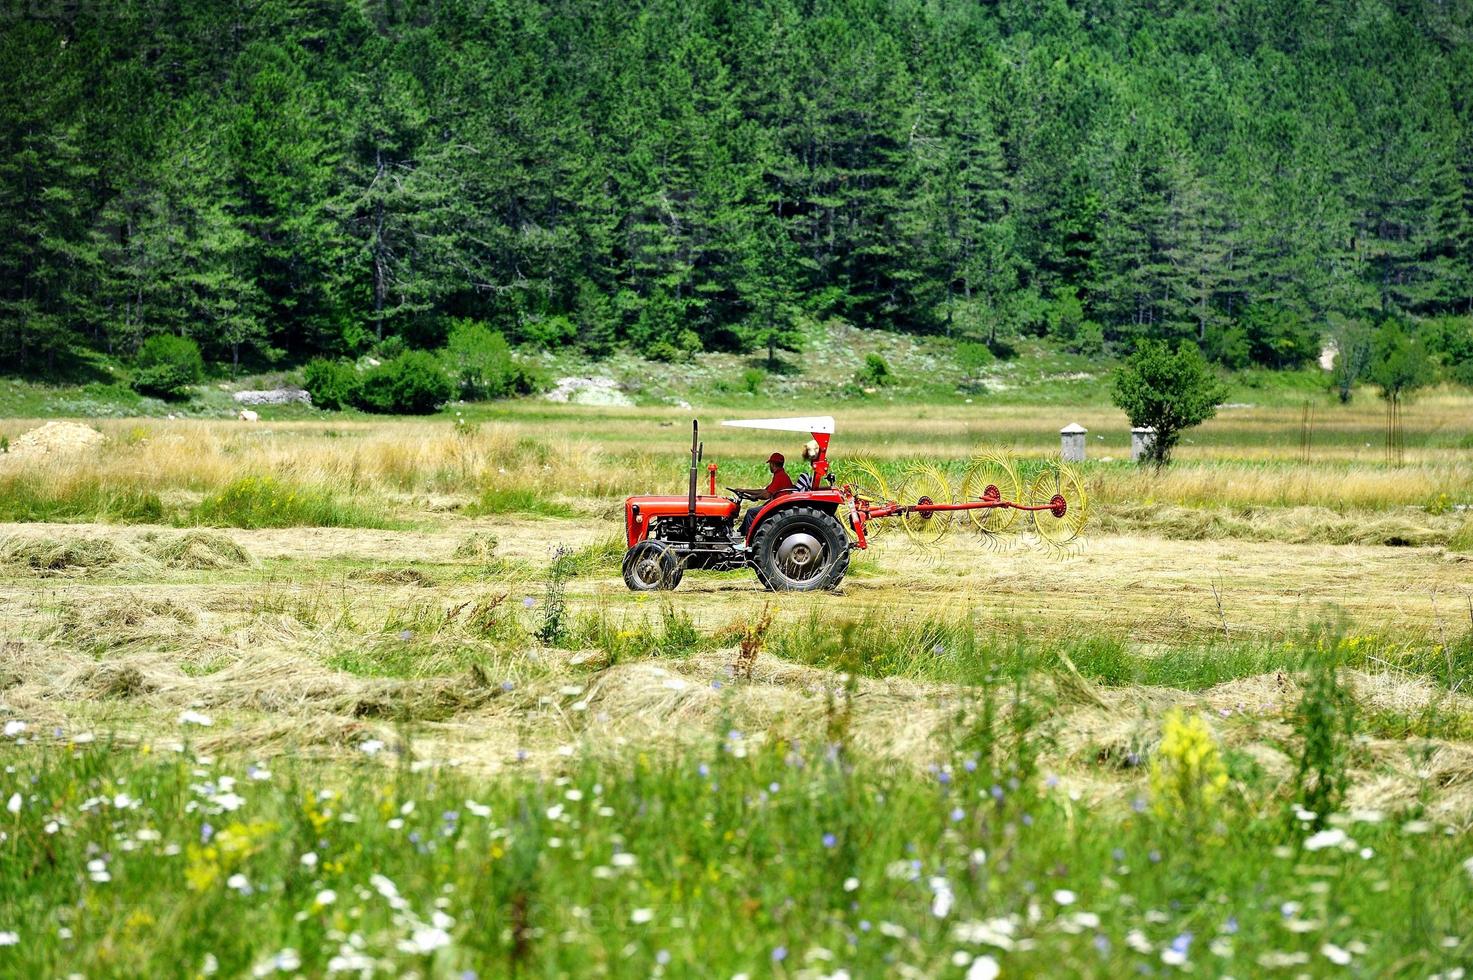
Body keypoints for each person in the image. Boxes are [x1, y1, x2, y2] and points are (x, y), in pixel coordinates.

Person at [735, 452, 793, 537]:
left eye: (770, 464)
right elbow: (764, 491)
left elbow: (766, 495)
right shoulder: (781, 475)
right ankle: (740, 533)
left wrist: (756, 496)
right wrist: (745, 491)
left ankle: (746, 537)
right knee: (753, 511)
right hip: (777, 505)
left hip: (777, 507)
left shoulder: (780, 477)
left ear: (773, 464)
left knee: (751, 512)